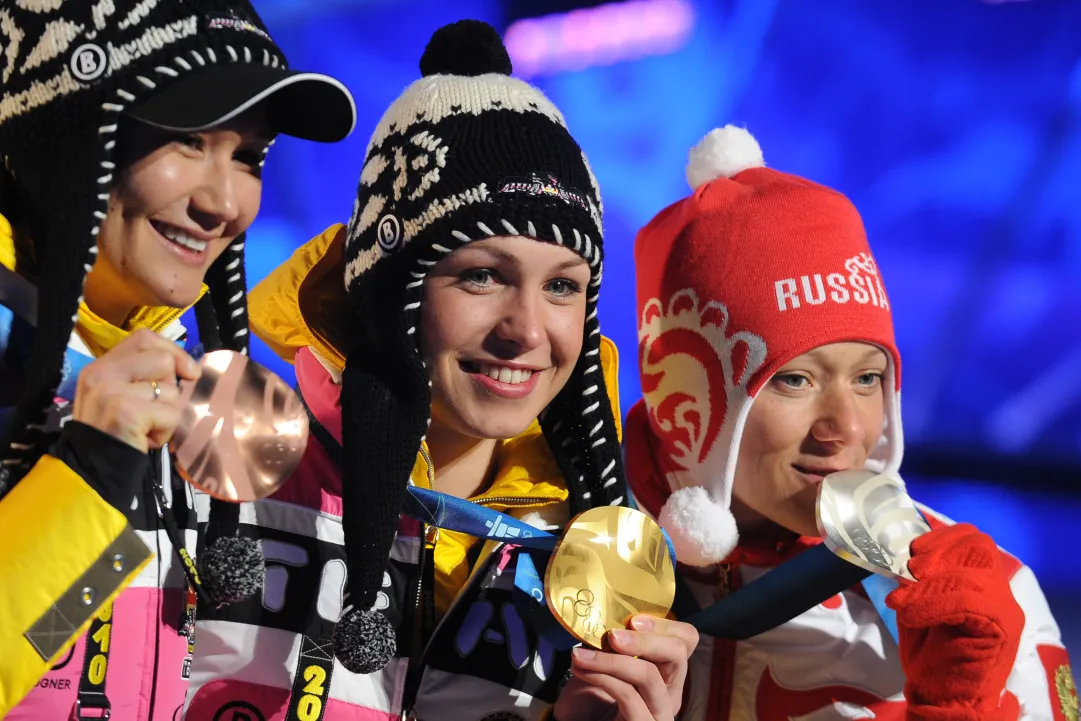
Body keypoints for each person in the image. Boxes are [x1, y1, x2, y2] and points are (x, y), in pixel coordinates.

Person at [183, 20, 698, 721]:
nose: (526, 331)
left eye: (562, 286)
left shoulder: (597, 559)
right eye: (483, 275)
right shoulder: (223, 470)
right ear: (390, 288)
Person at [622, 125, 1076, 720]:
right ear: (692, 400)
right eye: (795, 379)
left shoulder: (982, 599)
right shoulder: (573, 562)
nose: (846, 427)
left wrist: (958, 708)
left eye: (868, 378)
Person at [0, 2, 356, 718]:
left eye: (249, 156)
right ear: (65, 142)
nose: (225, 202)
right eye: (187, 139)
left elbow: (50, 652)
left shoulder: (194, 396)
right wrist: (86, 475)